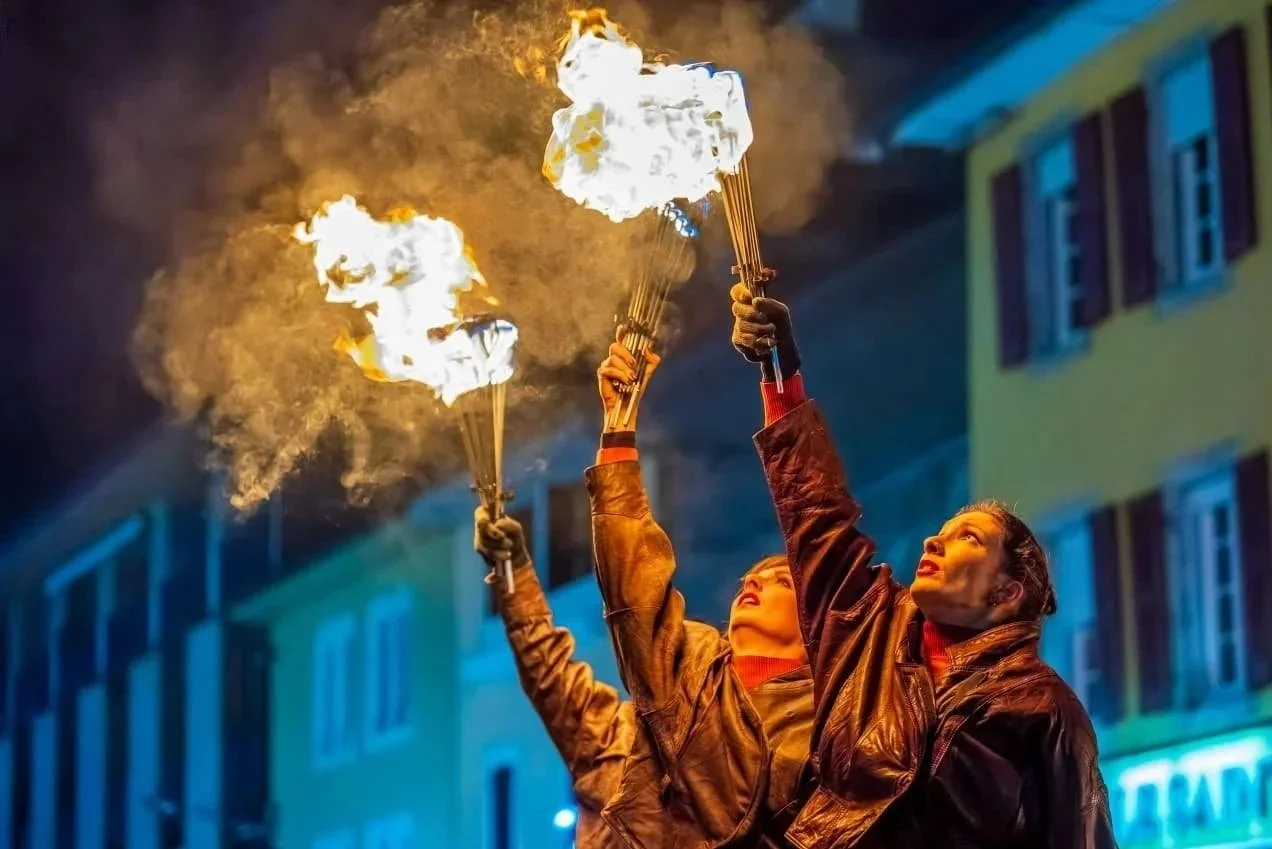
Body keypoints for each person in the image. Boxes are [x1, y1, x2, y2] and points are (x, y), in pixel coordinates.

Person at [728, 282, 1118, 848]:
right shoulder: (870, 631)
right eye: (941, 531)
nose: (934, 542)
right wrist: (779, 368)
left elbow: (1081, 838)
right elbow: (817, 513)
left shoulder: (1044, 708)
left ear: (1006, 593)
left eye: (968, 539)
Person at [581, 342, 816, 848]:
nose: (751, 583)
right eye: (748, 580)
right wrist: (618, 428)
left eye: (779, 582)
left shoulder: (832, 711)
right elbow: (634, 589)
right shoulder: (689, 667)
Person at [475, 508, 635, 848]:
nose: (751, 585)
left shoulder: (769, 744)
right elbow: (548, 672)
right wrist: (513, 571)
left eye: (779, 579)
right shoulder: (624, 739)